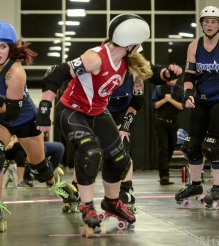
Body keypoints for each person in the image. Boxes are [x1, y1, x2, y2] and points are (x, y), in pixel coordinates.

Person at [36, 14, 150, 232]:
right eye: (138, 44)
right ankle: (86, 205)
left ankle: (112, 202)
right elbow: (54, 74)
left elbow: (150, 75)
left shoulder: (125, 61)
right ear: (129, 44)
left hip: (97, 112)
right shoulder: (95, 58)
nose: (139, 48)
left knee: (120, 159)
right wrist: (43, 111)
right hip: (71, 111)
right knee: (90, 152)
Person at [0, 21, 75, 231]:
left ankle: (64, 192)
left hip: (24, 121)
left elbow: (12, 113)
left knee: (41, 170)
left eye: (2, 46)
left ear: (10, 48)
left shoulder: (16, 73)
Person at [174, 6, 219, 209]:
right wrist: (188, 94)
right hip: (200, 100)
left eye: (213, 21)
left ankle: (216, 188)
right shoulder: (193, 46)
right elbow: (189, 75)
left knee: (212, 146)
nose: (209, 25)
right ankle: (196, 185)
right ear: (201, 24)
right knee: (191, 146)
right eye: (205, 21)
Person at [108, 60, 183, 211]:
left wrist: (125, 125)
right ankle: (80, 190)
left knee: (125, 150)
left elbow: (139, 98)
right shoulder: (103, 66)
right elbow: (154, 104)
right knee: (92, 151)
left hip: (127, 110)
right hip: (102, 109)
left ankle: (126, 190)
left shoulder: (135, 69)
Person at [150, 76, 184, 185]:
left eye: (174, 78)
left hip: (173, 123)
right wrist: (165, 99)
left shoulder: (180, 90)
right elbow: (153, 105)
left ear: (177, 79)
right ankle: (164, 175)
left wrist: (171, 100)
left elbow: (183, 106)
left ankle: (164, 169)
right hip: (161, 122)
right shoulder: (159, 89)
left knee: (170, 148)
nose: (171, 80)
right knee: (162, 149)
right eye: (170, 78)